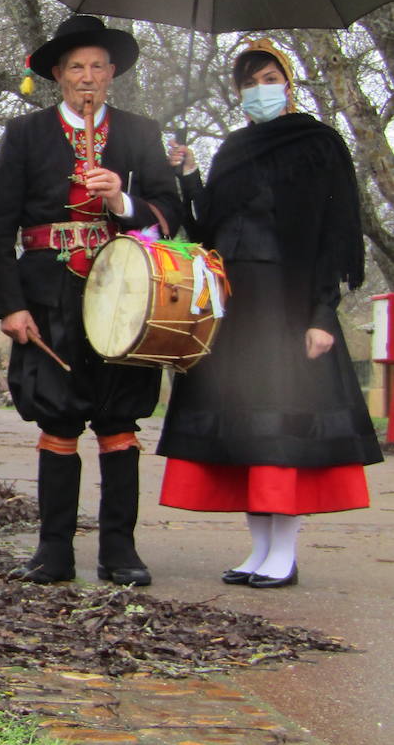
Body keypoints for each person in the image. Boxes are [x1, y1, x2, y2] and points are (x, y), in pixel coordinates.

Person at [159, 38, 382, 588]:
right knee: (244, 433)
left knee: (282, 430)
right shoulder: (234, 149)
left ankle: (285, 552)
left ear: (287, 83)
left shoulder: (319, 144)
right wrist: (189, 175)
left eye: (269, 78)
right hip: (234, 308)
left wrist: (322, 314)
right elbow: (206, 230)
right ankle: (258, 550)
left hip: (288, 304)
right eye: (249, 82)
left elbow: (334, 235)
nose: (260, 90)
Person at [0, 14, 181, 586]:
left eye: (97, 66)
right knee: (59, 419)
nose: (87, 77)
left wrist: (123, 198)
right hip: (48, 296)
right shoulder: (24, 135)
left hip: (125, 294)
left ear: (112, 73)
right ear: (58, 77)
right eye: (75, 68)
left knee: (119, 419)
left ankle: (120, 552)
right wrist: (10, 306)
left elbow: (172, 215)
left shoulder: (141, 132)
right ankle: (54, 551)